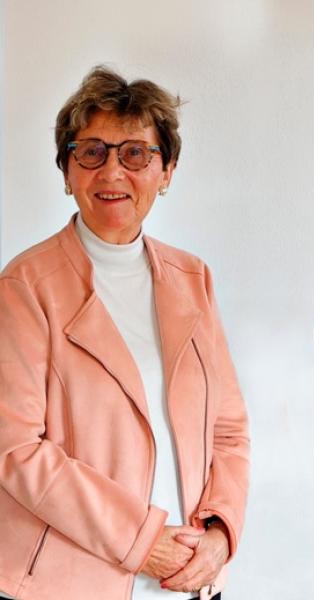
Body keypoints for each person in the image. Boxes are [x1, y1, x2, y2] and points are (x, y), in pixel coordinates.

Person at [0, 67, 249, 600]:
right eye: (91, 152)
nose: (112, 171)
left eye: (135, 153)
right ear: (67, 172)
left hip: (184, 579)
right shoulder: (24, 285)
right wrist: (141, 541)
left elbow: (227, 431)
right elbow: (16, 449)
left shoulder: (193, 278)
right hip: (68, 581)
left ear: (167, 171)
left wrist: (220, 535)